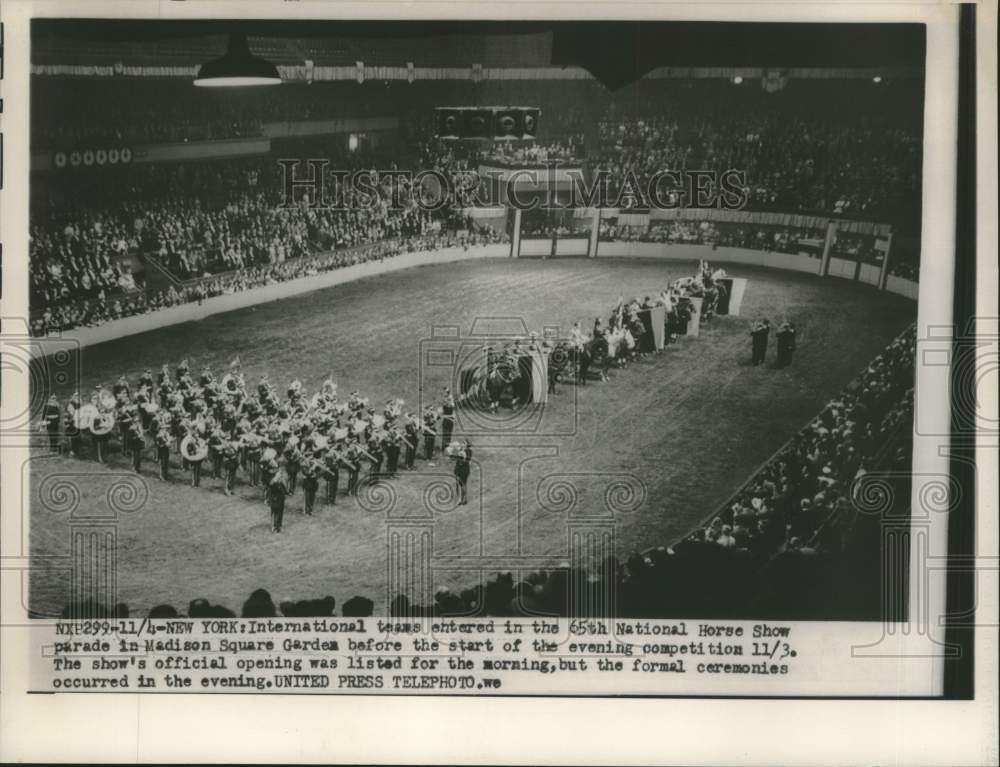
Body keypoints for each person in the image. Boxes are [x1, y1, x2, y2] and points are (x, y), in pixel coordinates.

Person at [453, 440, 472, 506]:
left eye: (464, 443)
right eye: (462, 443)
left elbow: (466, 460)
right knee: (458, 484)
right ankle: (460, 499)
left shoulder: (468, 451)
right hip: (459, 470)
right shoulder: (460, 450)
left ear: (467, 445)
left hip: (464, 470)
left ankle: (463, 499)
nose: (462, 444)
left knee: (463, 484)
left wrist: (462, 454)